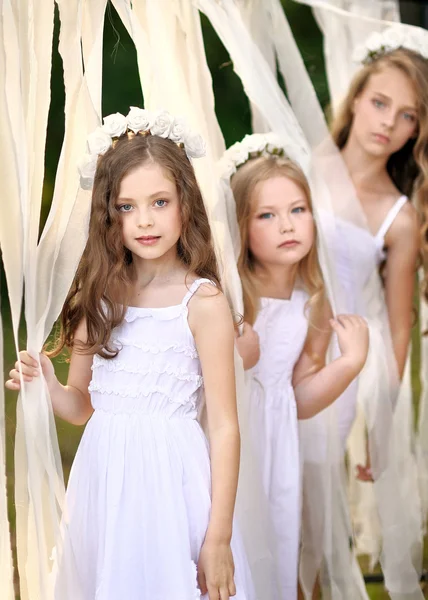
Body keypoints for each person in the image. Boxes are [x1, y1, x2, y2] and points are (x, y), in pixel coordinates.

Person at [6, 108, 254, 600]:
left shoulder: (201, 302)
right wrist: (49, 387)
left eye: (160, 202)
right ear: (108, 214)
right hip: (105, 482)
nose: (144, 220)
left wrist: (219, 535)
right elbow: (82, 406)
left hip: (171, 484)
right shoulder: (98, 297)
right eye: (126, 207)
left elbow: (224, 424)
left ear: (186, 204)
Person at [221, 134, 369, 600]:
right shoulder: (228, 295)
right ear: (241, 226)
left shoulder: (313, 301)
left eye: (297, 210)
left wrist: (350, 364)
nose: (287, 225)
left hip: (276, 444)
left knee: (275, 542)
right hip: (228, 440)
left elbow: (298, 396)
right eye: (266, 215)